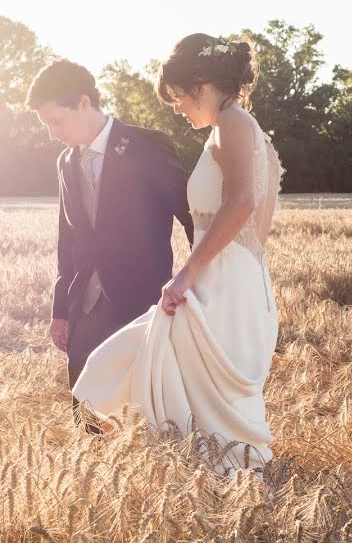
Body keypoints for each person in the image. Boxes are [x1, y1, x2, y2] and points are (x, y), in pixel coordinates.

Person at [72, 34, 284, 474]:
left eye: (177, 96)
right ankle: (172, 475)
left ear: (202, 84)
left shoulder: (235, 122)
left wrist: (187, 273)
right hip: (224, 277)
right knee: (126, 370)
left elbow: (243, 203)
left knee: (186, 393)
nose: (176, 107)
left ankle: (226, 494)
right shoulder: (233, 127)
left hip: (224, 284)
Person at [27, 59, 194, 433]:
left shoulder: (147, 146)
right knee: (85, 405)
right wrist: (61, 309)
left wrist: (204, 282)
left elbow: (191, 217)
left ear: (84, 103)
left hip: (143, 302)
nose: (53, 133)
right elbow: (67, 238)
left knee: (146, 410)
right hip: (84, 302)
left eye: (56, 121)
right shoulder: (66, 162)